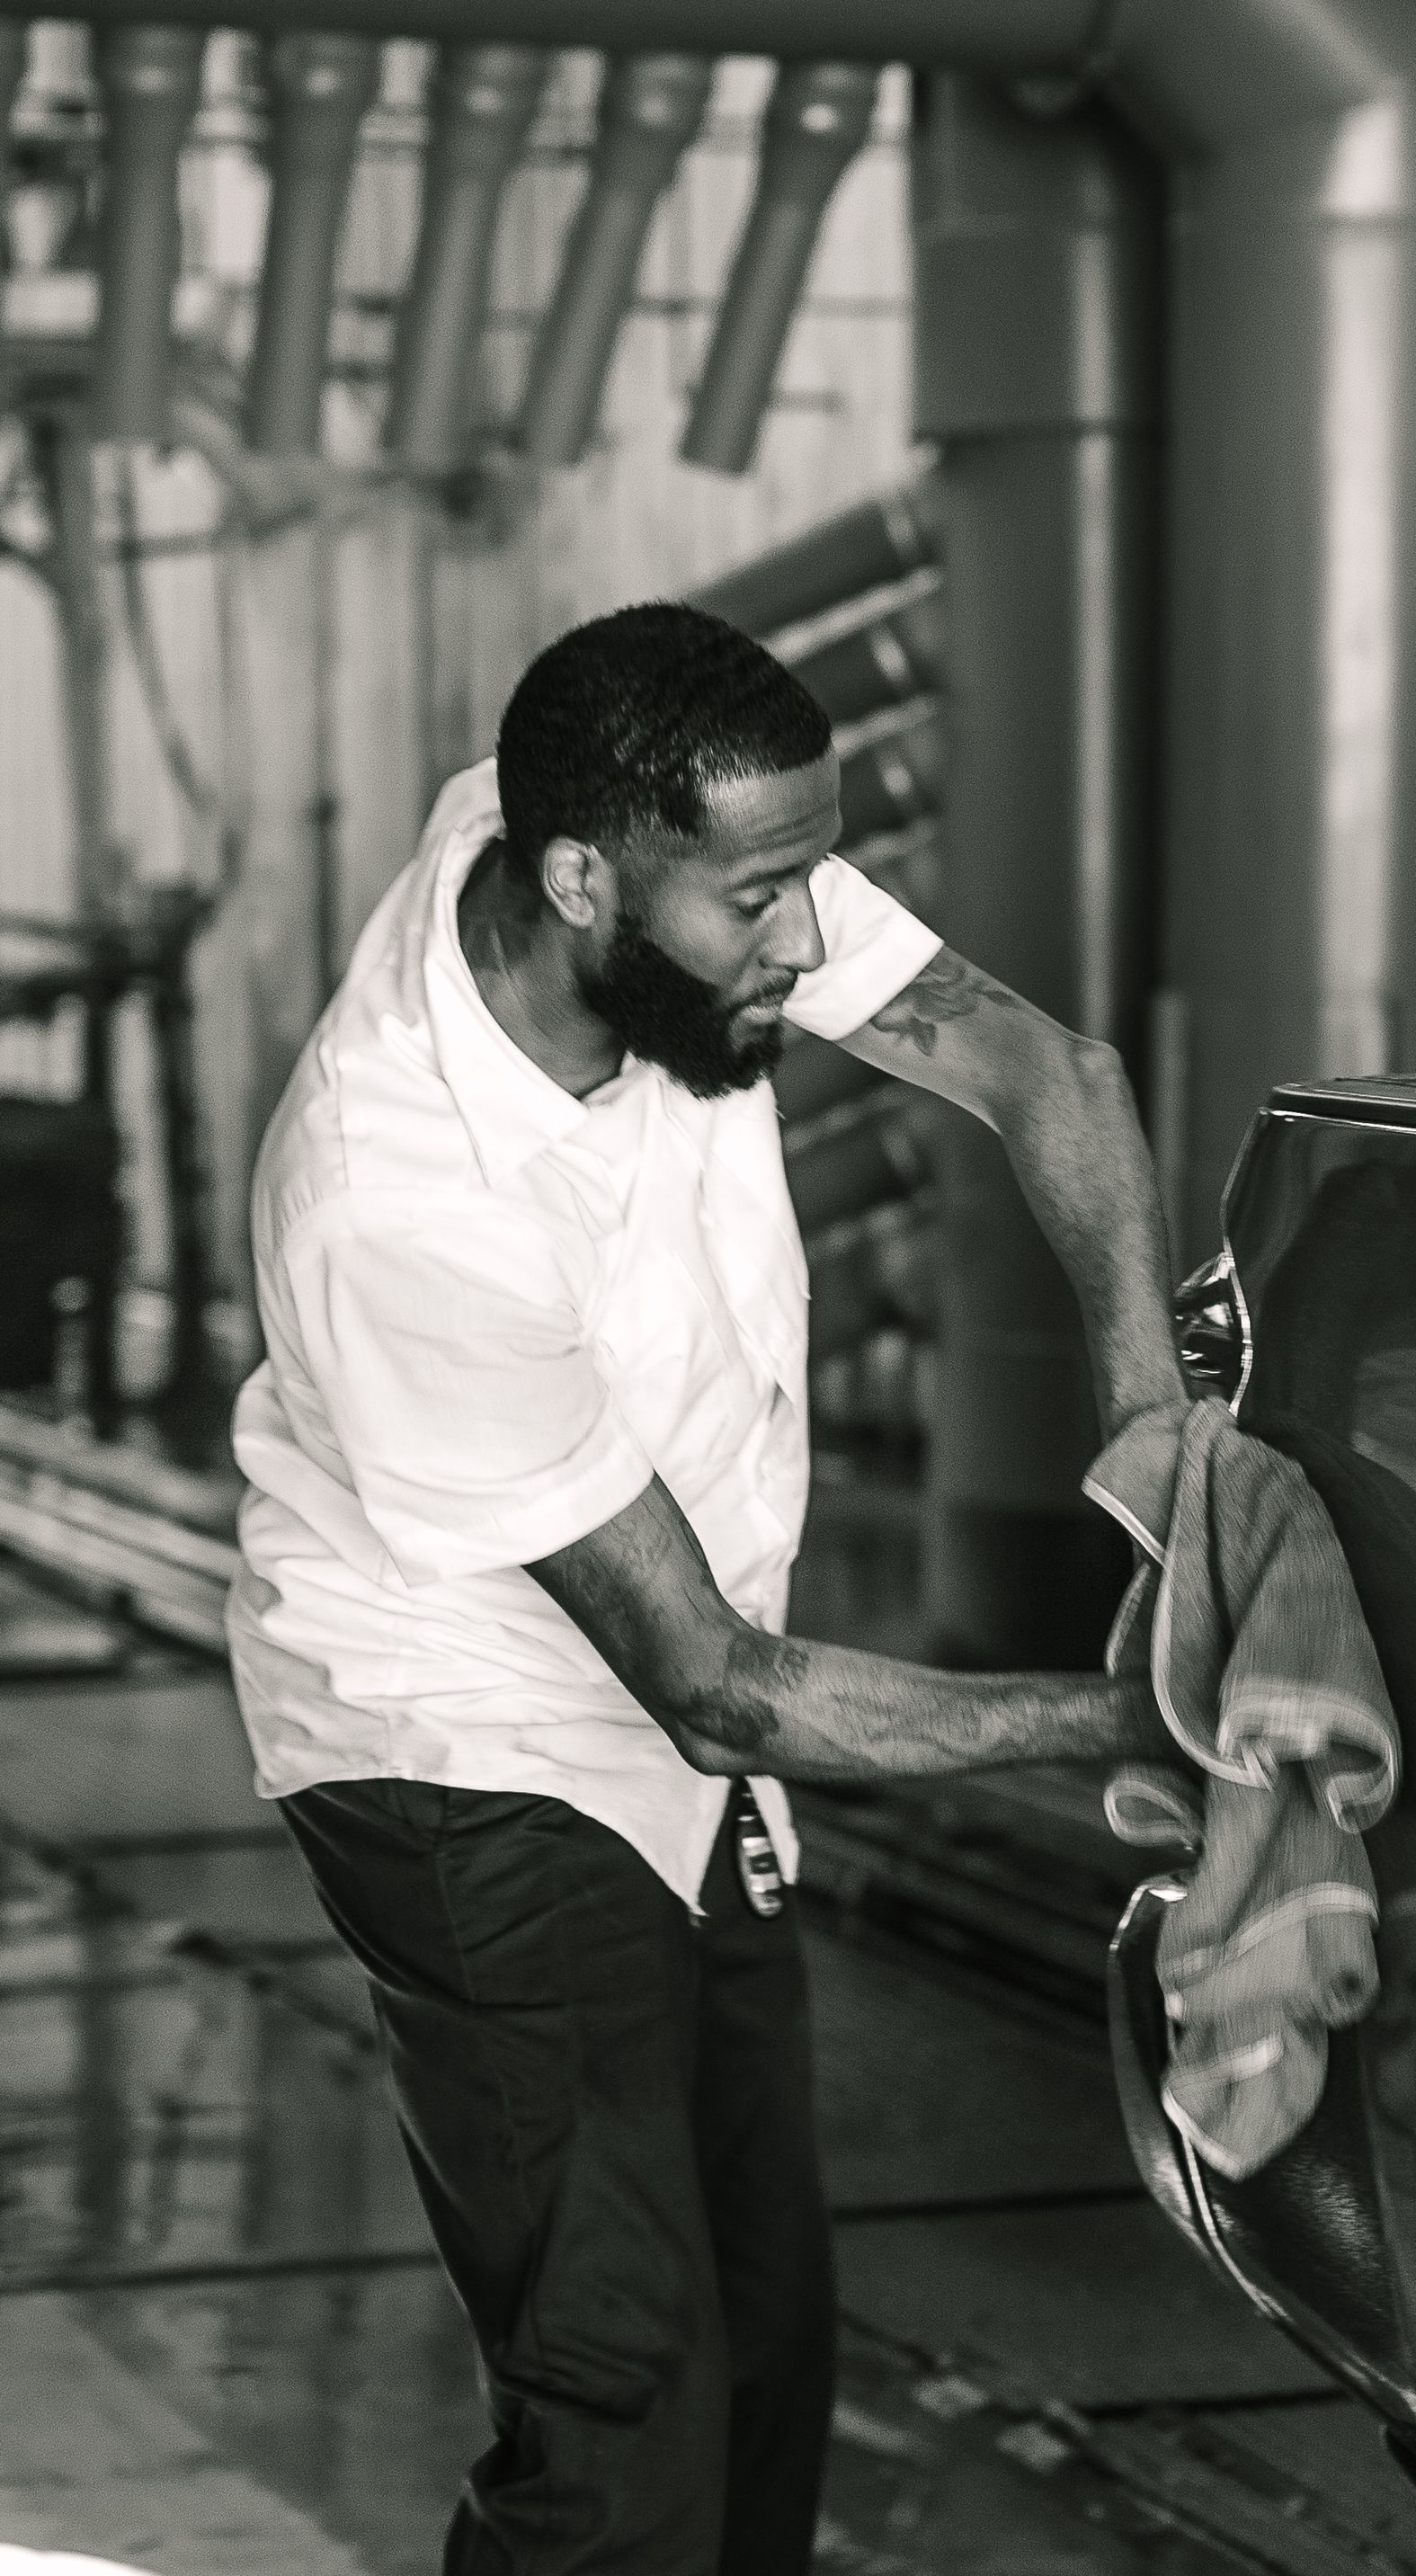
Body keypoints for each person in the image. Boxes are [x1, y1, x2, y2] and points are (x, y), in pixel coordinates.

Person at [225, 602, 1189, 2576]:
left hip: (681, 1738)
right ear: (582, 881)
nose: (811, 941)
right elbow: (723, 1687)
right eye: (763, 902)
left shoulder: (611, 834)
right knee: (626, 2374)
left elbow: (1049, 1070)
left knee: (761, 2350)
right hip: (465, 1739)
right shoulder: (399, 1196)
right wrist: (1157, 1707)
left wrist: (1156, 1431)